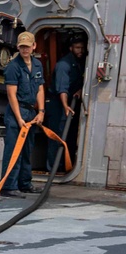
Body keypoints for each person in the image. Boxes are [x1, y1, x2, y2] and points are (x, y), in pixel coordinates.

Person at [0, 31, 45, 198]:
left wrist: (41, 112)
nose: (25, 49)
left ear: (34, 46)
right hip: (16, 113)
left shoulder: (38, 65)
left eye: (27, 46)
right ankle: (9, 186)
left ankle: (25, 183)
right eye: (22, 47)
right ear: (18, 47)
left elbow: (40, 89)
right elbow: (11, 95)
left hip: (31, 112)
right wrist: (19, 118)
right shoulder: (13, 67)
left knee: (27, 150)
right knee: (13, 150)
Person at [45, 36, 85, 171]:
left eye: (82, 48)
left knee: (69, 134)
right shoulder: (64, 64)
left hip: (68, 102)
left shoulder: (79, 62)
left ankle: (64, 165)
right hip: (57, 104)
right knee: (57, 135)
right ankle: (53, 168)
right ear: (71, 48)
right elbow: (62, 89)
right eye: (78, 48)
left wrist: (80, 89)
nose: (81, 50)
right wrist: (65, 106)